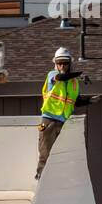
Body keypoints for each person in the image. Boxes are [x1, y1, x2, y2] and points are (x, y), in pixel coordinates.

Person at [36, 47, 81, 180]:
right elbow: (60, 77)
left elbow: (76, 101)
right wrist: (80, 74)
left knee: (61, 153)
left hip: (62, 121)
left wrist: (91, 100)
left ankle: (56, 178)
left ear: (69, 64)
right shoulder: (52, 75)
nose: (62, 66)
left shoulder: (73, 82)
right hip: (47, 120)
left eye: (65, 63)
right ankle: (40, 176)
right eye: (59, 62)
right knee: (44, 150)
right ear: (55, 63)